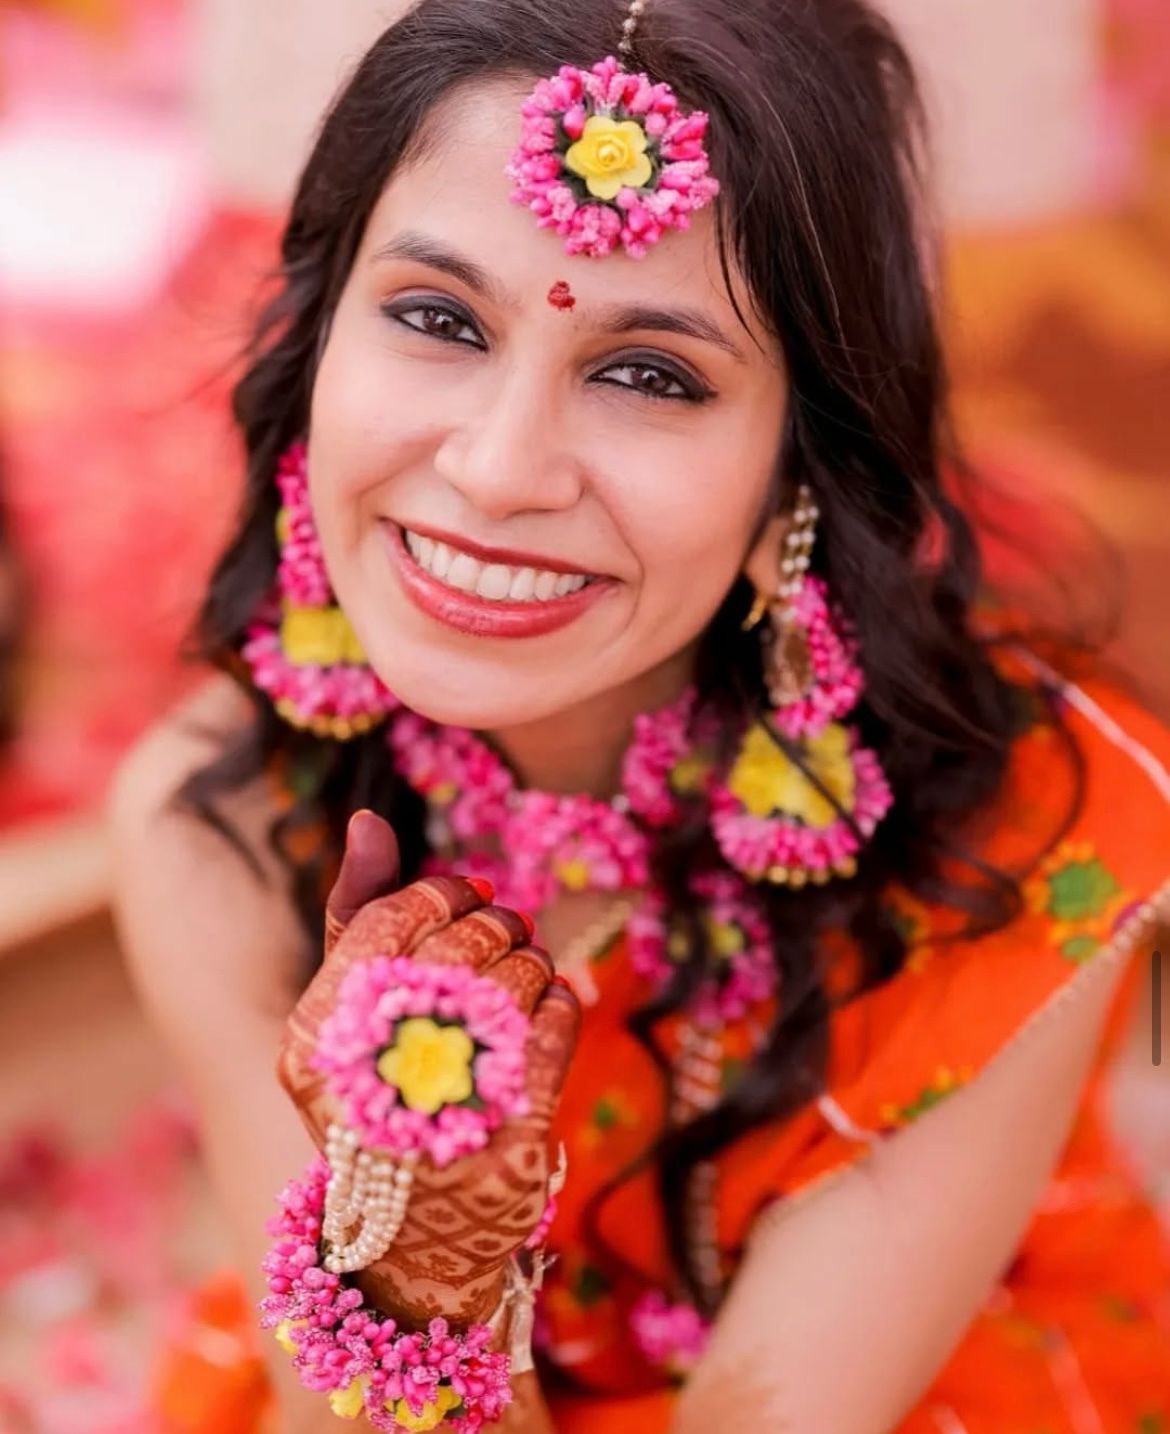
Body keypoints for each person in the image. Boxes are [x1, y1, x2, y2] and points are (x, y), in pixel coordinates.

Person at [108, 0, 1170, 1430]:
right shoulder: (222, 825)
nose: (498, 470)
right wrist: (418, 1271)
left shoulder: (1017, 831)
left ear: (801, 477)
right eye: (437, 318)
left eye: (650, 374)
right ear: (313, 359)